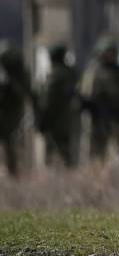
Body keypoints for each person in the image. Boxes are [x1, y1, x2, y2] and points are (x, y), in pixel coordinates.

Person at [81, 35, 119, 162]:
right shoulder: (94, 72)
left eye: (113, 53)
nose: (111, 55)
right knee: (97, 154)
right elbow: (87, 95)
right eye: (108, 52)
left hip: (118, 119)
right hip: (99, 120)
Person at [36, 42, 81, 168]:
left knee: (50, 158)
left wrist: (42, 120)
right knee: (68, 157)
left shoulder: (55, 75)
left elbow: (48, 101)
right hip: (69, 121)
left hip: (54, 123)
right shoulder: (71, 74)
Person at [0, 40, 32, 176]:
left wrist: (9, 83)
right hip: (5, 111)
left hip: (12, 113)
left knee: (11, 143)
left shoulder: (19, 74)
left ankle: (14, 172)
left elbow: (23, 93)